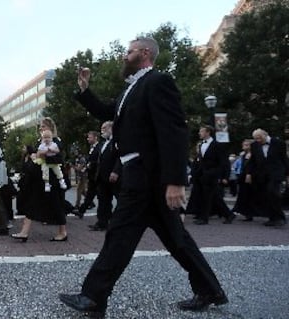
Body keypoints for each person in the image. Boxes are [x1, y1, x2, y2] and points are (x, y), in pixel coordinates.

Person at [59, 37, 227, 317]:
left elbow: (174, 131)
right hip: (139, 176)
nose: (124, 56)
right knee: (177, 240)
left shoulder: (158, 81)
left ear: (145, 53)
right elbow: (104, 111)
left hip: (148, 177)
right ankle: (210, 289)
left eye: (129, 51)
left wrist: (175, 180)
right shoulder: (131, 89)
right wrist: (85, 89)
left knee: (119, 235)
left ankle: (93, 297)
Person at [10, 117, 68, 242]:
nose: (40, 128)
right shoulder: (40, 141)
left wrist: (41, 155)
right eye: (40, 126)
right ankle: (24, 232)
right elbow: (38, 156)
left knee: (57, 204)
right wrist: (34, 155)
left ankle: (63, 232)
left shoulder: (56, 141)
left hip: (52, 180)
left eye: (43, 126)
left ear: (50, 128)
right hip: (40, 179)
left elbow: (58, 159)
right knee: (32, 204)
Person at [191, 125, 235, 225]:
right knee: (213, 197)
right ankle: (228, 215)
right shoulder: (201, 144)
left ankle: (204, 218)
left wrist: (222, 176)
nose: (199, 133)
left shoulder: (217, 145)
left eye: (201, 131)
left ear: (208, 132)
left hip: (212, 175)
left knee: (208, 197)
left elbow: (223, 162)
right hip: (202, 176)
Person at [245, 128, 289, 226]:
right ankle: (272, 218)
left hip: (276, 173)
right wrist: (249, 173)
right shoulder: (254, 145)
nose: (258, 141)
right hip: (262, 174)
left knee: (273, 192)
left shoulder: (279, 143)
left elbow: (284, 159)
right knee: (266, 196)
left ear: (265, 135)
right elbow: (253, 161)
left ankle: (280, 217)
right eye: (256, 139)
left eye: (259, 138)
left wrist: (287, 174)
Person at [90, 121, 120, 231]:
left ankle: (116, 221)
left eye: (104, 128)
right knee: (103, 200)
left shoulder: (117, 141)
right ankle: (102, 222)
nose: (102, 131)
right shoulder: (103, 143)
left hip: (113, 176)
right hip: (102, 177)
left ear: (111, 128)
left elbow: (120, 157)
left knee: (121, 199)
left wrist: (116, 171)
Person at [77, 131, 101, 216]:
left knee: (100, 195)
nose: (88, 139)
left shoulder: (99, 147)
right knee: (90, 194)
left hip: (97, 176)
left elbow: (97, 161)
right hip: (92, 176)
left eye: (89, 137)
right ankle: (81, 211)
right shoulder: (92, 148)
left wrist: (89, 165)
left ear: (95, 138)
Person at [232, 139, 256, 221]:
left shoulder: (253, 155)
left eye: (246, 145)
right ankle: (243, 212)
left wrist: (249, 174)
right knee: (242, 195)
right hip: (242, 177)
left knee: (248, 196)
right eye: (244, 144)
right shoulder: (243, 155)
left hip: (249, 178)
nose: (244, 146)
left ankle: (248, 213)